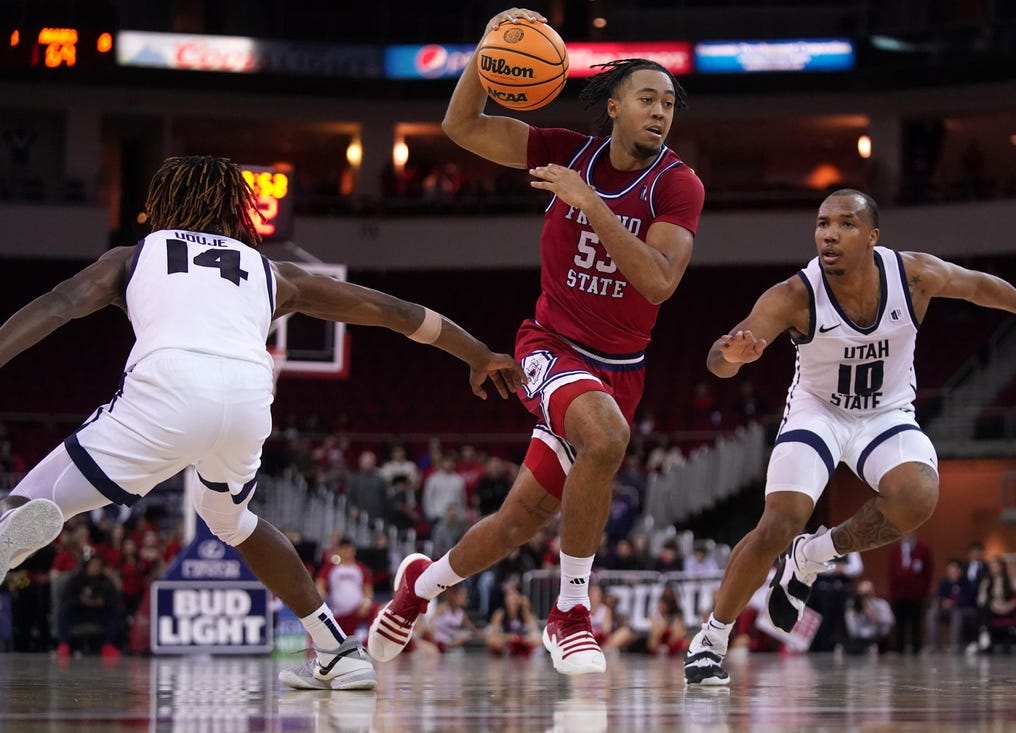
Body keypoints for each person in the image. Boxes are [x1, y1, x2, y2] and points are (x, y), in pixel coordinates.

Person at [0, 155, 524, 690]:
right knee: (231, 520)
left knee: (34, 499)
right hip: (250, 397)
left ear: (161, 206)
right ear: (235, 210)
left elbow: (60, 304)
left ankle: (16, 523)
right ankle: (335, 649)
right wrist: (477, 353)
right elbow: (391, 310)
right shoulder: (268, 271)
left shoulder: (135, 255)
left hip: (167, 387)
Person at [367, 7, 703, 678]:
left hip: (621, 366)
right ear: (612, 106)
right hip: (548, 345)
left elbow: (659, 282)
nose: (660, 111)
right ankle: (571, 610)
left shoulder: (676, 183)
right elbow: (459, 126)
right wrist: (485, 55)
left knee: (517, 519)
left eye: (668, 102)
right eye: (646, 98)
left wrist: (592, 205)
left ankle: (417, 587)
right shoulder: (563, 151)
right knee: (606, 437)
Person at [683, 188, 1016, 685]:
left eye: (845, 224)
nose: (829, 233)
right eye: (822, 223)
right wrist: (732, 357)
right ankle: (712, 638)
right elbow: (716, 359)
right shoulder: (795, 295)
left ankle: (813, 555)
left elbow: (976, 286)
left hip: (886, 414)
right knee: (779, 522)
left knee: (919, 497)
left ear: (872, 236)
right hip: (819, 413)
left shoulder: (912, 275)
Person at [315, 536, 378, 639]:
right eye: (343, 548)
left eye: (349, 548)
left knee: (378, 611)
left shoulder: (361, 568)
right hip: (338, 613)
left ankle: (371, 645)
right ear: (338, 550)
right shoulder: (330, 567)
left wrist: (366, 604)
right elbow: (320, 585)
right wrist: (320, 600)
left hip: (357, 611)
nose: (346, 551)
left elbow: (368, 591)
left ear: (354, 550)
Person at [887, 530, 933, 654]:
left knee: (916, 623)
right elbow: (891, 573)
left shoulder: (923, 550)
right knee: (900, 623)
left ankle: (916, 648)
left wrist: (923, 592)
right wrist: (893, 593)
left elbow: (928, 574)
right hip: (899, 595)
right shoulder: (895, 551)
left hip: (916, 595)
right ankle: (899, 648)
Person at [925, 557, 978, 652]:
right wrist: (942, 602)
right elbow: (939, 597)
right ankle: (934, 645)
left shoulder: (967, 582)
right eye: (951, 569)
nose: (953, 572)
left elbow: (968, 599)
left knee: (956, 613)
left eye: (956, 569)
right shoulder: (944, 582)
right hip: (947, 611)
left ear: (961, 571)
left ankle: (955, 645)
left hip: (965, 611)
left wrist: (954, 603)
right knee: (932, 614)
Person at [843, 579, 895, 655]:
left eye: (867, 594)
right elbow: (853, 631)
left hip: (878, 639)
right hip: (859, 640)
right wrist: (855, 616)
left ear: (873, 592)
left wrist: (876, 616)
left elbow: (891, 621)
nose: (865, 597)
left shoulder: (881, 604)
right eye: (862, 595)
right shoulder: (853, 607)